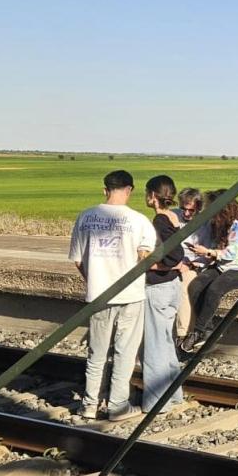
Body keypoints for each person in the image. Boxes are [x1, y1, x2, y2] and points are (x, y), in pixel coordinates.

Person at [69, 170, 156, 422]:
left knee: (96, 353)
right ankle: (118, 405)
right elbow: (146, 258)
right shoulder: (139, 221)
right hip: (131, 295)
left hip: (98, 295)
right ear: (129, 190)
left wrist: (94, 281)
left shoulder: (85, 216)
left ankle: (89, 404)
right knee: (124, 352)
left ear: (104, 189)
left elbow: (77, 259)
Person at [180, 191, 238, 353]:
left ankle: (198, 331)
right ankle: (207, 329)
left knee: (215, 289)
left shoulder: (237, 226)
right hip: (222, 266)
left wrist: (208, 252)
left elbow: (231, 253)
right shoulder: (216, 224)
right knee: (195, 285)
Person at [142, 175, 187, 414]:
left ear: (152, 195)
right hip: (172, 287)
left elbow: (173, 254)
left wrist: (152, 266)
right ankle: (174, 395)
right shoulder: (174, 216)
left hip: (158, 288)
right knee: (166, 343)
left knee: (154, 345)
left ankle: (155, 402)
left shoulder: (160, 220)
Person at [172, 188, 210, 338]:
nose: (186, 214)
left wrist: (190, 265)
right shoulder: (173, 215)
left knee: (186, 285)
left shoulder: (206, 223)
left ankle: (183, 333)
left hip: (193, 264)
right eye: (183, 209)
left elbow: (207, 254)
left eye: (191, 210)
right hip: (173, 262)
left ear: (199, 208)